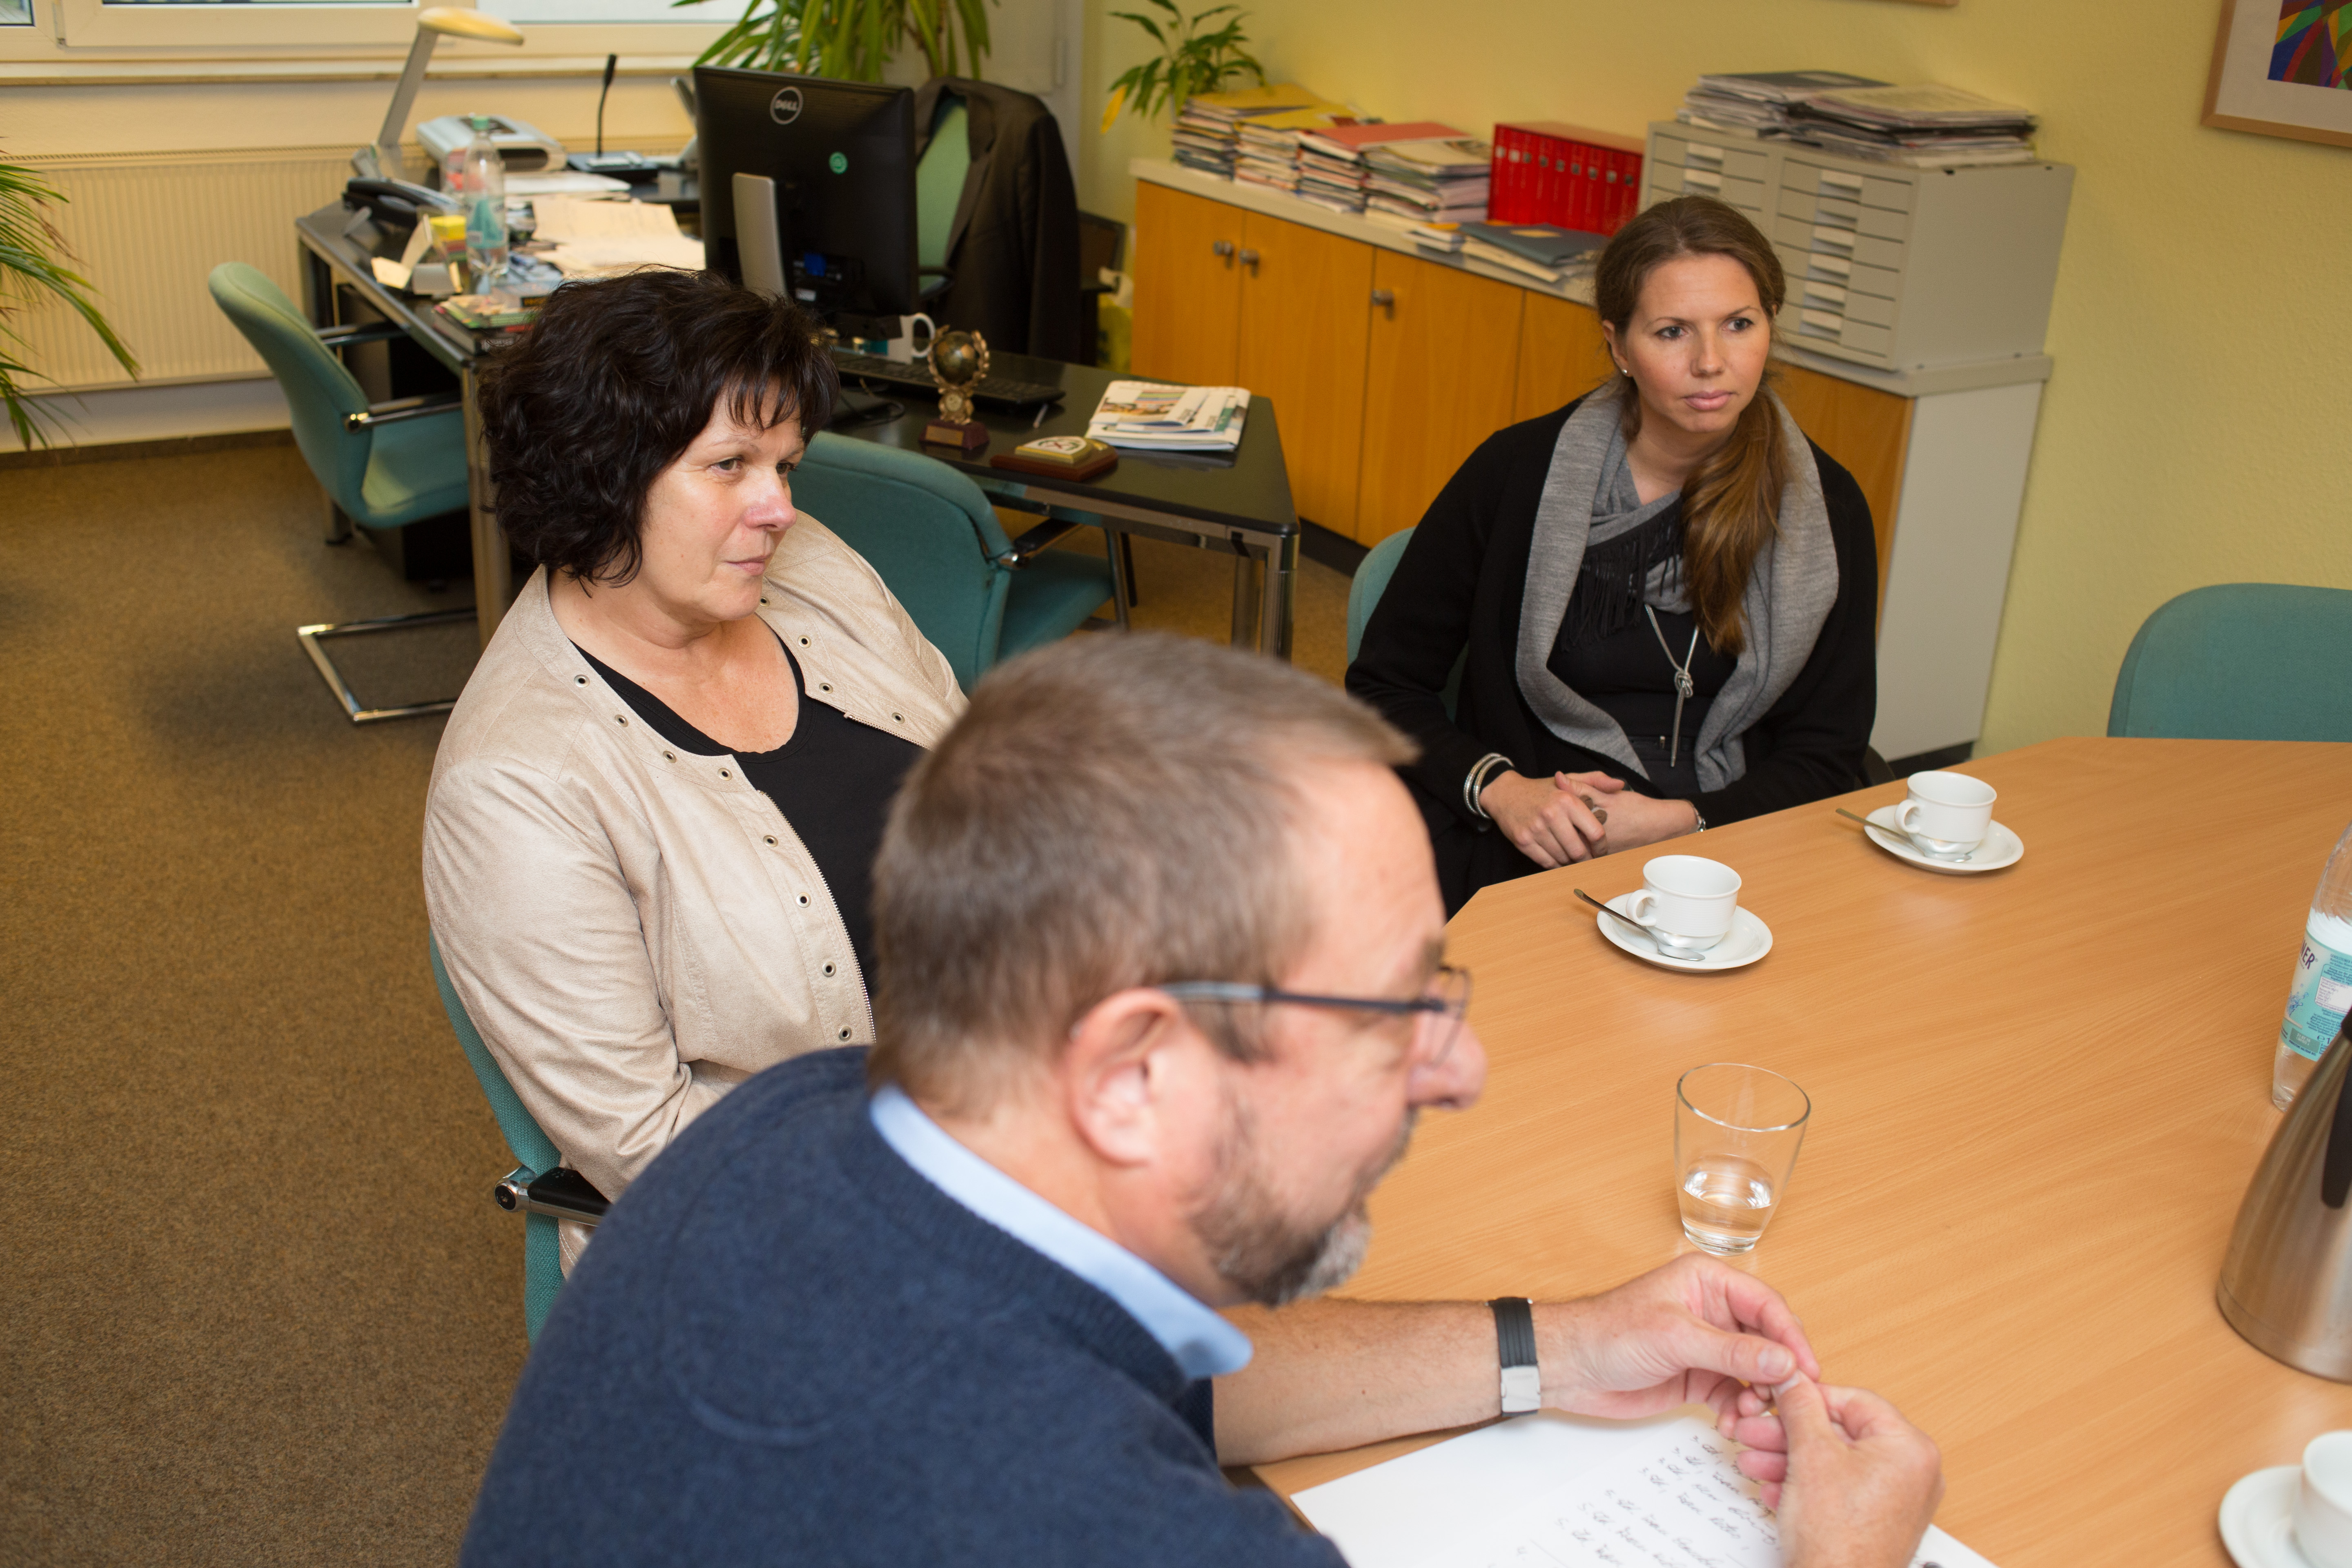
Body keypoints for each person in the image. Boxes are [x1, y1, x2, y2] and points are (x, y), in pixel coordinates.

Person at [461, 633, 1944, 1568]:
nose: (1459, 1065)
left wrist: (1564, 1347)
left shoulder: (806, 1123)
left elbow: (1149, 1370)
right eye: (1392, 1014)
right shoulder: (1085, 1524)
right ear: (1131, 1074)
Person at [422, 270, 965, 1272]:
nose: (781, 510)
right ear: (604, 472)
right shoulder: (516, 783)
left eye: (787, 466)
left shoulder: (820, 577)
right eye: (730, 466)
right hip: (800, 1234)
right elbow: (650, 1148)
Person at [1348, 195, 1879, 913]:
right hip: (1532, 840)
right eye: (1671, 332)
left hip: (1735, 842)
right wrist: (1503, 792)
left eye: (1739, 325)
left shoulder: (1825, 507)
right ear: (1619, 346)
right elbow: (1385, 687)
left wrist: (1683, 822)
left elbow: (1829, 749)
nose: (1711, 362)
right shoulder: (1515, 476)